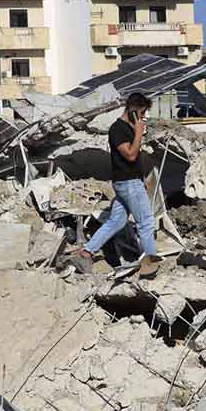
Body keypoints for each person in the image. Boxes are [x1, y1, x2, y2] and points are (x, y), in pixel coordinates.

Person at [76, 93, 160, 277]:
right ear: (132, 110)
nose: (143, 117)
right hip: (128, 184)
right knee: (146, 223)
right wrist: (138, 132)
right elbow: (130, 154)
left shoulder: (128, 129)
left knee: (117, 221)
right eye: (142, 112)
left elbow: (134, 160)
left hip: (130, 182)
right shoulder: (117, 130)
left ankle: (87, 251)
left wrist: (142, 179)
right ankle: (150, 265)